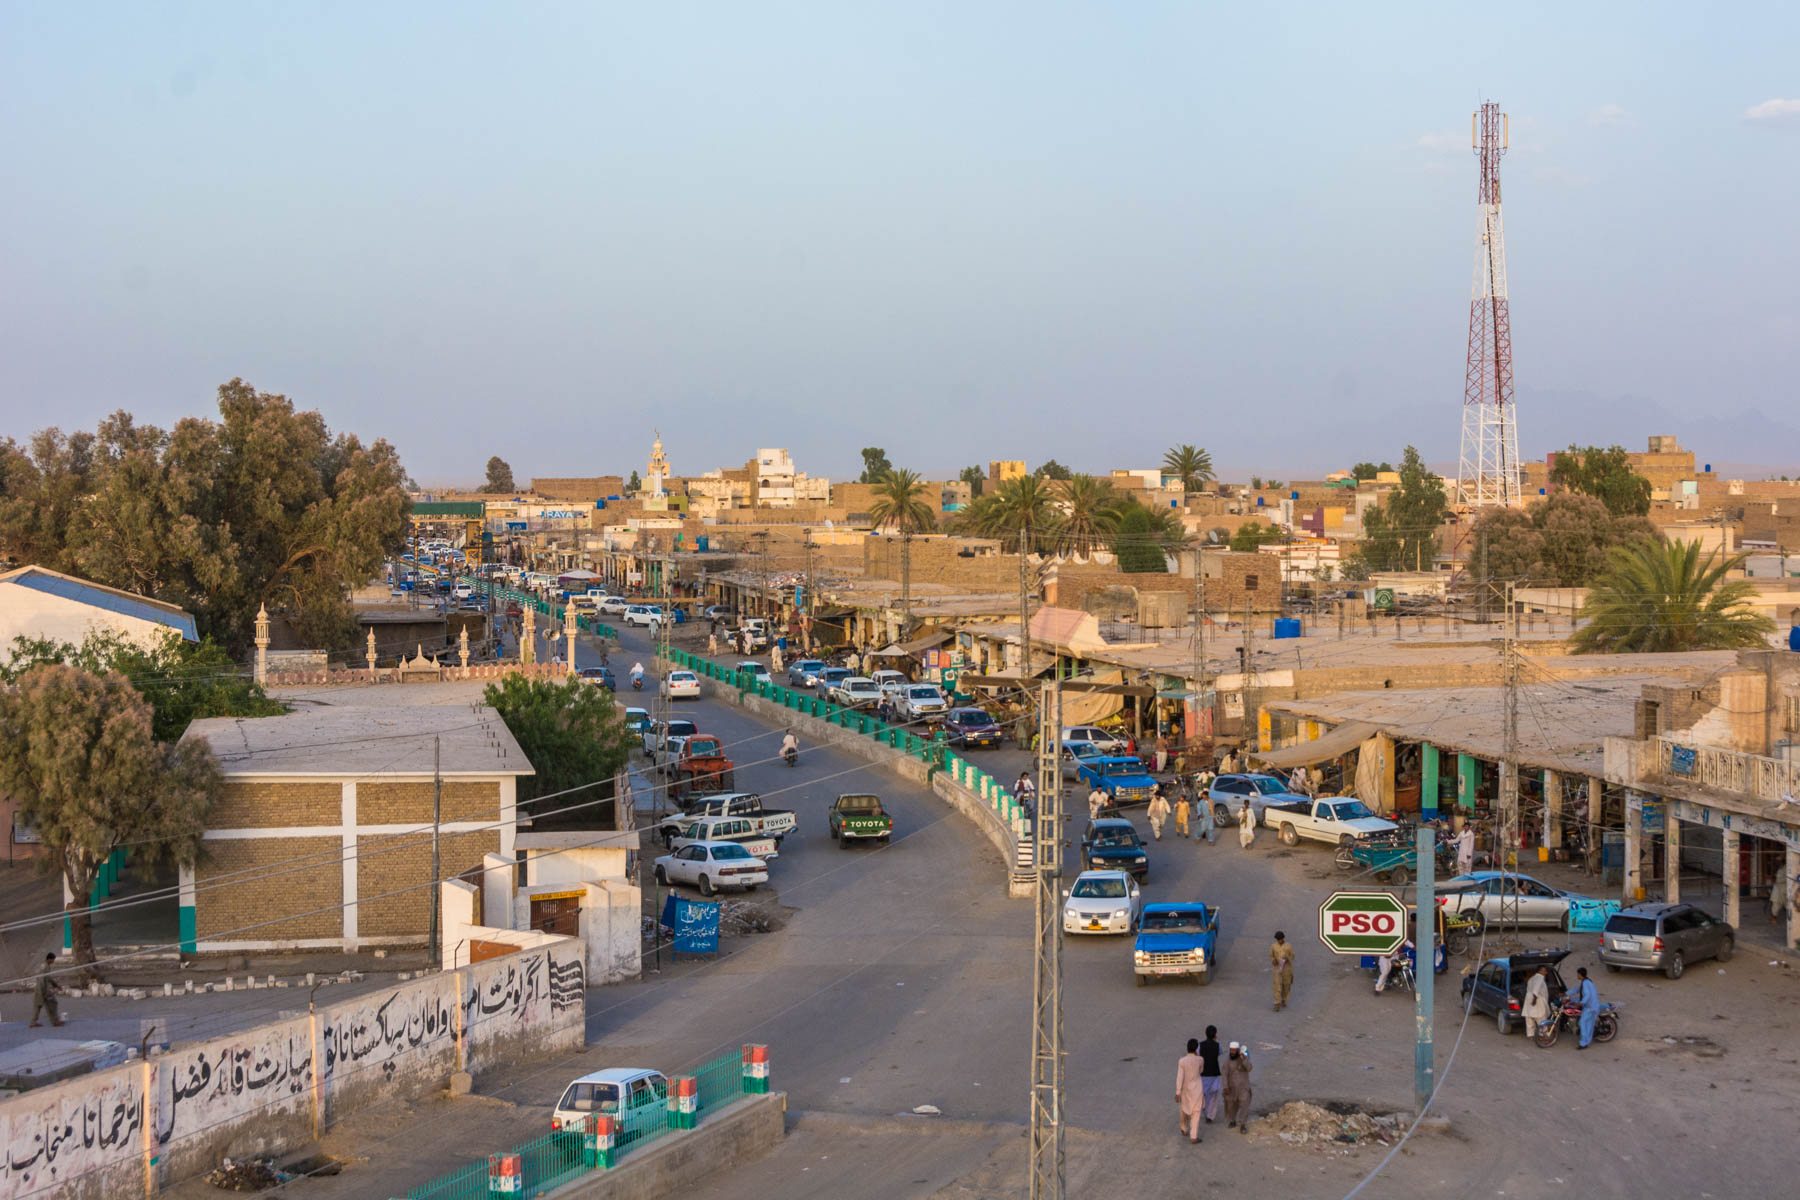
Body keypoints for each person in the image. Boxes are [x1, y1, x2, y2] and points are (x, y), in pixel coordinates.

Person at [1175, 1038, 1206, 1144]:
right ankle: (1194, 1136)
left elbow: (1180, 1076)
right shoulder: (1200, 1059)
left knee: (1184, 1109)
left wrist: (1178, 1092)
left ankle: (1183, 1128)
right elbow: (1201, 1071)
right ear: (1196, 1049)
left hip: (1185, 1089)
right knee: (1196, 1111)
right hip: (1197, 1088)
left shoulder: (1182, 1061)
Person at [1222, 1042, 1253, 1133]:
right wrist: (1225, 1087)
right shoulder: (1227, 1061)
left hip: (1243, 1088)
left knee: (1244, 1105)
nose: (1231, 1052)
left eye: (1234, 1050)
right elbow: (1224, 1074)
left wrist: (1244, 1060)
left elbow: (1250, 1068)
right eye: (1231, 1050)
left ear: (1238, 1050)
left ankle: (1243, 1124)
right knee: (1231, 1106)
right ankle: (1232, 1121)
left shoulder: (1244, 1058)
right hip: (1231, 1088)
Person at [1198, 1025, 1224, 1124]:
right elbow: (1220, 1052)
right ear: (1215, 1035)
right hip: (1214, 1073)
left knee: (1204, 1094)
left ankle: (1205, 1111)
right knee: (1213, 1096)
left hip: (1204, 1074)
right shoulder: (1218, 1045)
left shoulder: (1200, 1045)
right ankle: (1210, 1115)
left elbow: (1198, 1054)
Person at [30, 953, 64, 1027]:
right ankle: (55, 1021)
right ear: (49, 959)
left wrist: (56, 985)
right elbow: (42, 980)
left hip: (43, 990)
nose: (53, 961)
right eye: (53, 960)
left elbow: (49, 978)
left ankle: (34, 1022)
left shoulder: (46, 966)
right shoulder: (44, 967)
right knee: (52, 1004)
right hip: (43, 990)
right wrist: (44, 992)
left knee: (40, 1006)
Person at [1571, 966, 1599, 1049]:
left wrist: (1581, 1003)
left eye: (1577, 974)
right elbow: (1577, 989)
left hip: (1590, 1007)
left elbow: (1587, 995)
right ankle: (1586, 1041)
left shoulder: (1586, 983)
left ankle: (1583, 1043)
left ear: (1580, 974)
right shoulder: (1586, 981)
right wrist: (1566, 993)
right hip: (1591, 1006)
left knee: (1583, 1023)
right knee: (1587, 1024)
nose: (1577, 975)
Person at [1521, 963, 1552, 1037]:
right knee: (1541, 1018)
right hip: (1537, 1000)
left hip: (1528, 999)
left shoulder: (1531, 978)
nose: (1546, 973)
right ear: (1540, 971)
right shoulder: (1540, 978)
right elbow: (1536, 990)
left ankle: (1531, 1035)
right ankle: (1542, 1035)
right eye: (1545, 971)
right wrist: (1534, 1000)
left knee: (1529, 1018)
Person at [1270, 931, 1294, 1012]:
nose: (1279, 941)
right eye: (1278, 940)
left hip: (1286, 969)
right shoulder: (1273, 946)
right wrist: (1274, 961)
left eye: (1280, 939)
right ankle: (1276, 1004)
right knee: (1277, 986)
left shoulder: (1288, 946)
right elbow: (1271, 956)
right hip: (1278, 969)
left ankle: (1283, 999)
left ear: (1283, 938)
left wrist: (1287, 958)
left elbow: (1292, 955)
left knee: (1286, 986)